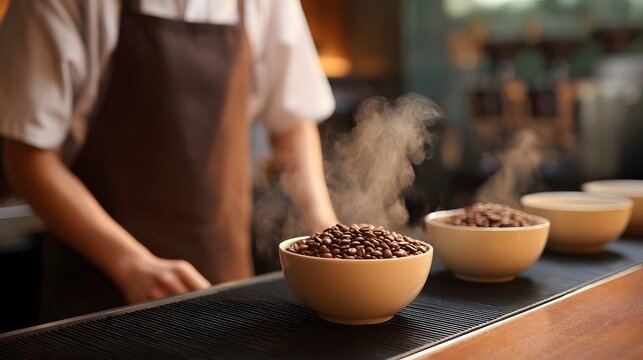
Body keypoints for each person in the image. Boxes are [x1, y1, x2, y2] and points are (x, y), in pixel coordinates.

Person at [0, 0, 338, 322]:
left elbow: (292, 125)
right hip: (98, 300)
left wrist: (327, 234)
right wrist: (130, 264)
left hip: (227, 292)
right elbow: (28, 160)